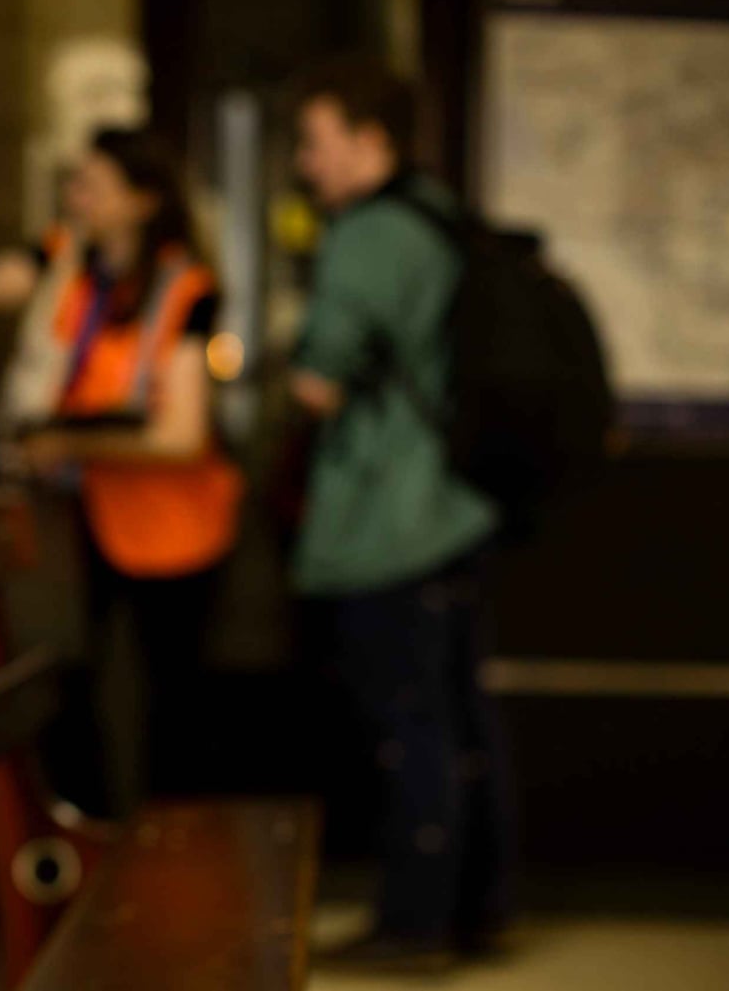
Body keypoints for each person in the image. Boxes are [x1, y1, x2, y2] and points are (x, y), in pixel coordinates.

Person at [0, 127, 243, 815]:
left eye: (92, 186)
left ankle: (175, 848)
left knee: (168, 701)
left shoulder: (185, 290)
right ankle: (95, 833)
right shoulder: (68, 261)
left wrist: (67, 445)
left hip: (177, 529)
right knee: (79, 686)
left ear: (142, 200)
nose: (74, 197)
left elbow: (181, 437)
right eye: (73, 183)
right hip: (90, 515)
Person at [288, 57, 515, 967]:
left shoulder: (370, 234)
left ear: (368, 140)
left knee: (410, 725)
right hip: (455, 508)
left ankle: (415, 922)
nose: (305, 162)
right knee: (460, 719)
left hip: (394, 518)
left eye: (316, 141)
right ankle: (478, 908)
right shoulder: (440, 215)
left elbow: (318, 380)